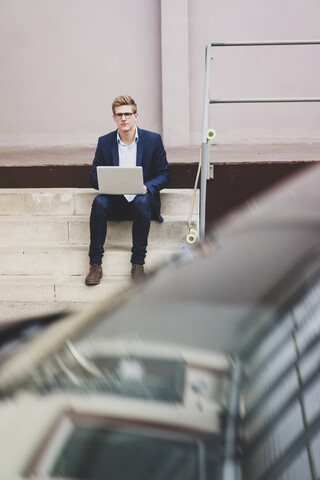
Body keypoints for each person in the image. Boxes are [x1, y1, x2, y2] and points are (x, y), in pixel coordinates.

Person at [85, 95, 170, 286]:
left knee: (142, 200)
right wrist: (108, 184)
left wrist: (147, 187)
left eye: (127, 114)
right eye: (119, 115)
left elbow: (164, 175)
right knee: (99, 202)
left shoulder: (152, 140)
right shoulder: (105, 142)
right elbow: (93, 177)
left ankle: (138, 263)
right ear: (114, 118)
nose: (124, 118)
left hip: (141, 201)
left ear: (136, 116)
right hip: (115, 200)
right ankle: (95, 264)